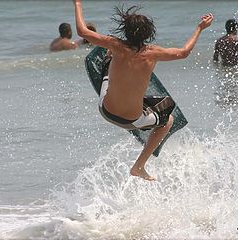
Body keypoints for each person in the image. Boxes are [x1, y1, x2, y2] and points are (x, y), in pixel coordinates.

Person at [73, 0, 213, 181]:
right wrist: (200, 28)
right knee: (168, 119)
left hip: (105, 110)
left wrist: (77, 3)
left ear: (125, 30)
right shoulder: (153, 53)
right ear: (148, 33)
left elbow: (83, 32)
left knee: (109, 59)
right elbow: (184, 52)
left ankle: (108, 63)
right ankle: (139, 166)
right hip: (132, 120)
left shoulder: (116, 45)